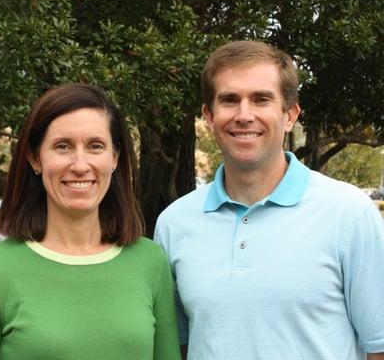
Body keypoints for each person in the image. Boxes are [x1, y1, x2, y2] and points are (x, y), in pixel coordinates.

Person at [155, 40, 384, 360]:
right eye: (230, 100)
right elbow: (178, 347)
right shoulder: (173, 224)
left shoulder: (350, 214)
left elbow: (379, 347)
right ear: (209, 116)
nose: (244, 115)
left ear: (289, 115)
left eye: (261, 99)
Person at [0, 83, 180, 359]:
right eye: (62, 146)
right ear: (35, 158)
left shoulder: (150, 261)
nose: (80, 164)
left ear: (115, 157)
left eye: (95, 146)